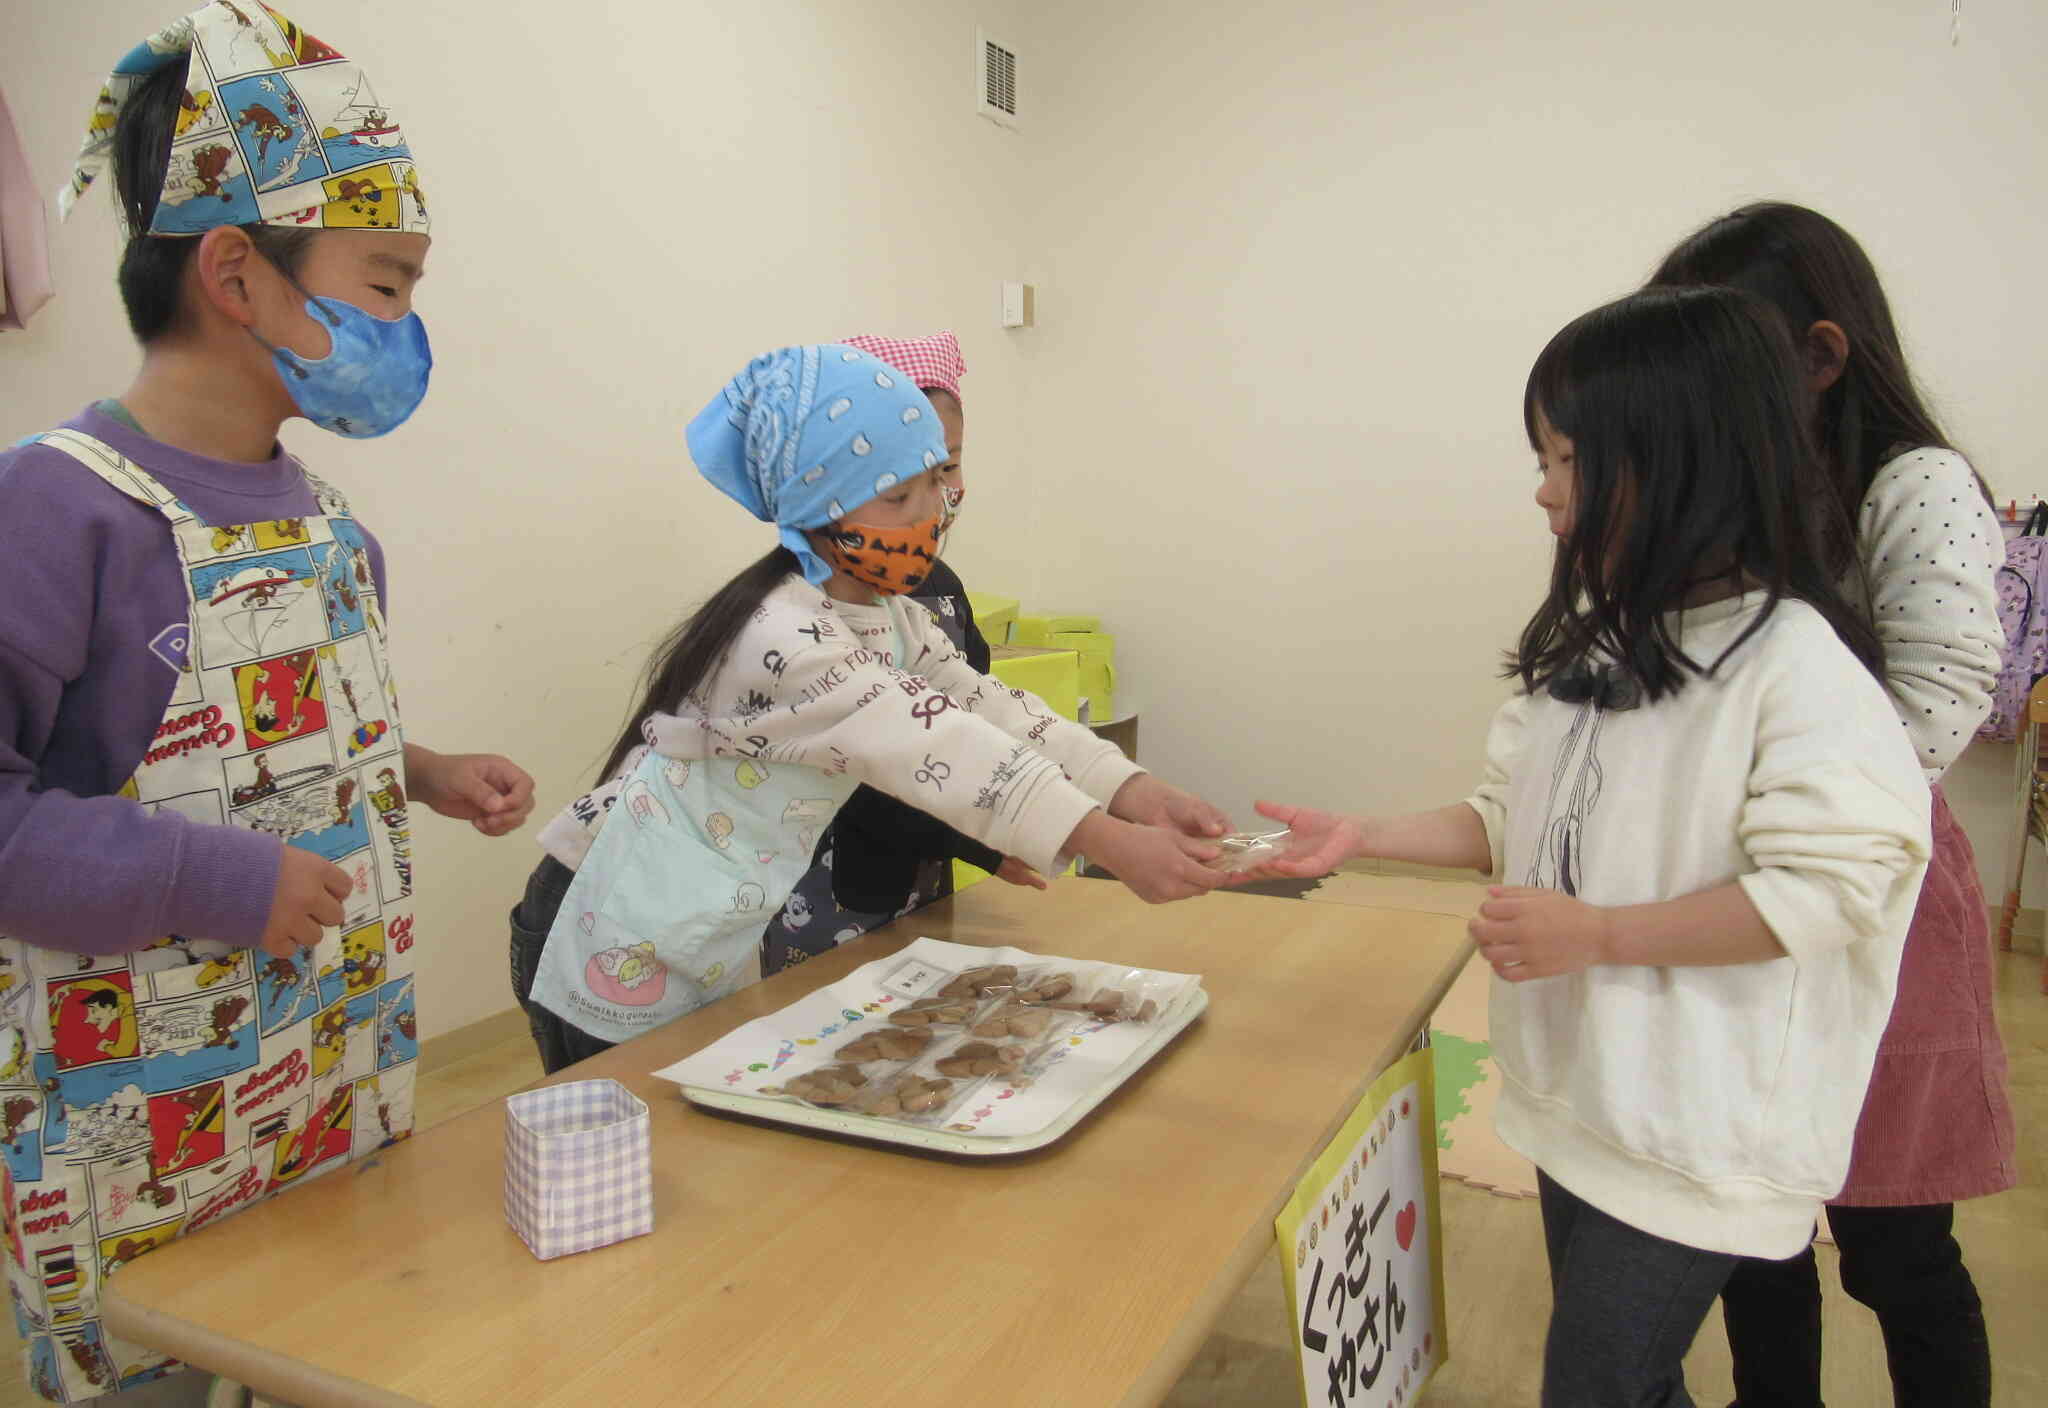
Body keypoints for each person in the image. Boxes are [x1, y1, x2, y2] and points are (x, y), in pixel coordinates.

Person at [1253, 286, 1931, 1407]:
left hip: (1693, 1129)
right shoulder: (1603, 646)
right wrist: (1363, 836)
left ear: (1671, 462)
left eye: (1563, 459)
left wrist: (1598, 932)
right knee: (1622, 1374)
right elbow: (1504, 816)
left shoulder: (1795, 668)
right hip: (1582, 1095)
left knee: (1594, 1381)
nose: (1541, 490)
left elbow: (1826, 891)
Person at [0, 0, 534, 1404]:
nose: (409, 327)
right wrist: (214, 878)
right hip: (143, 1142)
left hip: (331, 1077)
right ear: (237, 277)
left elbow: (285, 736)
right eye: (388, 284)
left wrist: (411, 768)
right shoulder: (56, 512)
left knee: (332, 1348)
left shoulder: (329, 517)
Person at [511, 343, 1226, 1070]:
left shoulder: (890, 618)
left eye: (934, 483)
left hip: (692, 926)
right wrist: (1106, 839)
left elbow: (991, 710)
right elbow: (939, 743)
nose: (933, 513)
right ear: (817, 503)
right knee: (625, 1146)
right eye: (898, 496)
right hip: (610, 923)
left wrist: (1136, 791)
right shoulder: (782, 634)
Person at [1651, 202, 2013, 1408]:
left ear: (1816, 355)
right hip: (1741, 888)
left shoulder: (1915, 482)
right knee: (1757, 1233)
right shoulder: (1733, 489)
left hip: (1876, 896)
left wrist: (1775, 802)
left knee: (1897, 1241)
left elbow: (1938, 696)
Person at [761, 331, 1044, 977]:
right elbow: (868, 767)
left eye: (949, 467)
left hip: (919, 873)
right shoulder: (796, 618)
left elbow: (976, 728)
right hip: (822, 883)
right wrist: (987, 836)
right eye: (904, 483)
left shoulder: (939, 593)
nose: (937, 497)